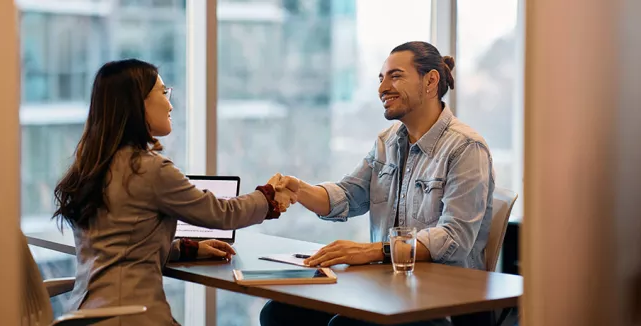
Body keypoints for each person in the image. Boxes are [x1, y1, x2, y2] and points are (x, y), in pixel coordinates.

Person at [260, 41, 496, 326]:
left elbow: (454, 239)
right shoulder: (387, 141)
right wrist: (299, 189)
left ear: (431, 81)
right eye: (381, 78)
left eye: (395, 76)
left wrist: (371, 251)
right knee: (279, 312)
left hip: (445, 304)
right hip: (390, 291)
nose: (382, 88)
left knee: (345, 325)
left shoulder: (466, 148)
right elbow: (349, 195)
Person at [53, 59, 300, 326]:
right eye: (163, 92)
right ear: (138, 103)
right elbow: (223, 214)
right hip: (130, 318)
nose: (170, 105)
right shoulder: (148, 169)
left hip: (83, 315)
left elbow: (118, 247)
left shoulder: (92, 167)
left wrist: (186, 249)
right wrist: (269, 196)